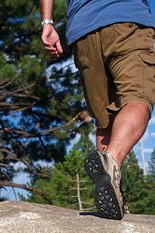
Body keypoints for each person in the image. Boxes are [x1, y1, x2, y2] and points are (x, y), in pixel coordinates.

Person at [40, 0, 155, 220]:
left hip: (83, 32)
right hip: (126, 18)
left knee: (105, 121)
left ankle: (114, 194)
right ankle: (110, 160)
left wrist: (47, 23)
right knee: (138, 97)